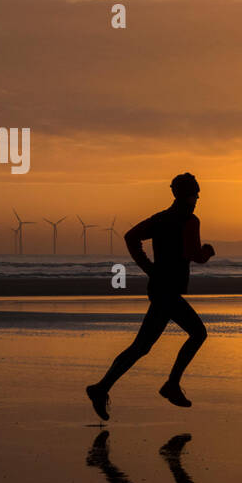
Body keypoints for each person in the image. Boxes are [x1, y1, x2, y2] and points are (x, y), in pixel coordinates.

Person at [86, 173, 214, 419]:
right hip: (167, 292)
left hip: (159, 288)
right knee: (197, 333)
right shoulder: (189, 220)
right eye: (195, 193)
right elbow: (193, 254)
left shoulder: (161, 219)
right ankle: (170, 385)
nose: (197, 197)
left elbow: (130, 237)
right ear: (185, 195)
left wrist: (148, 267)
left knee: (141, 347)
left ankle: (101, 388)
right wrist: (207, 252)